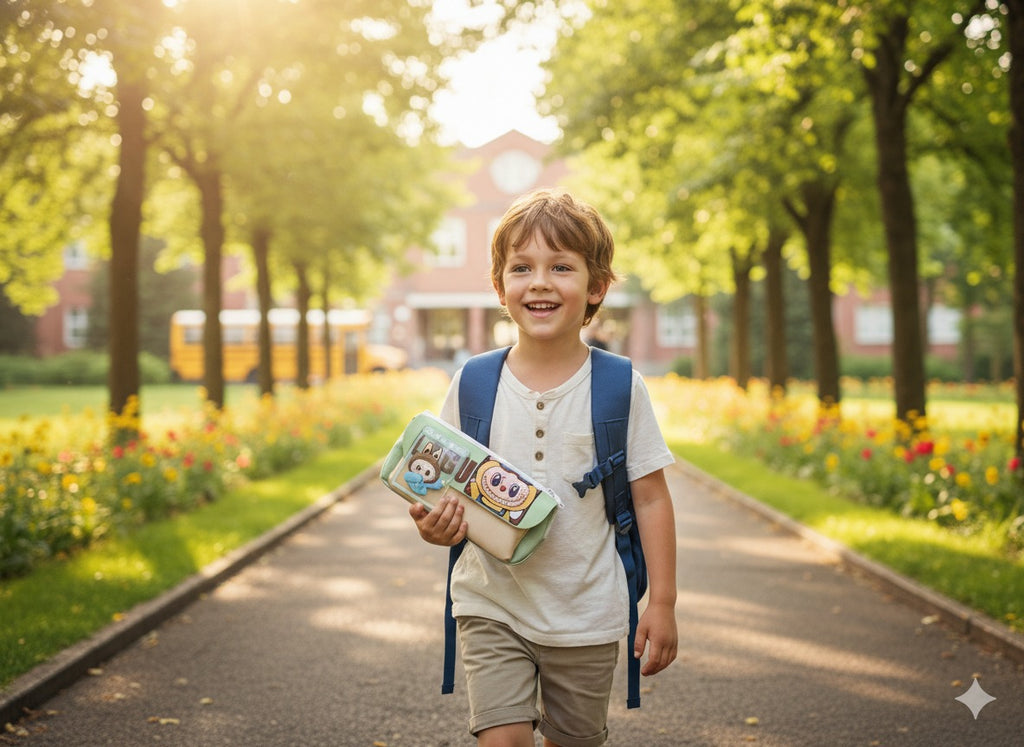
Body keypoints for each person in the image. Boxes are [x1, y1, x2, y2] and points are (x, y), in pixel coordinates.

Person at [409, 188, 678, 747]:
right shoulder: (473, 382)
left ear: (596, 286)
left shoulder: (620, 385)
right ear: (500, 287)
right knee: (500, 739)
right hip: (491, 602)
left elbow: (650, 497)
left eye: (561, 266)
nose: (539, 282)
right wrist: (433, 524)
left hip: (587, 612)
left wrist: (664, 603)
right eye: (521, 267)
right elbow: (438, 488)